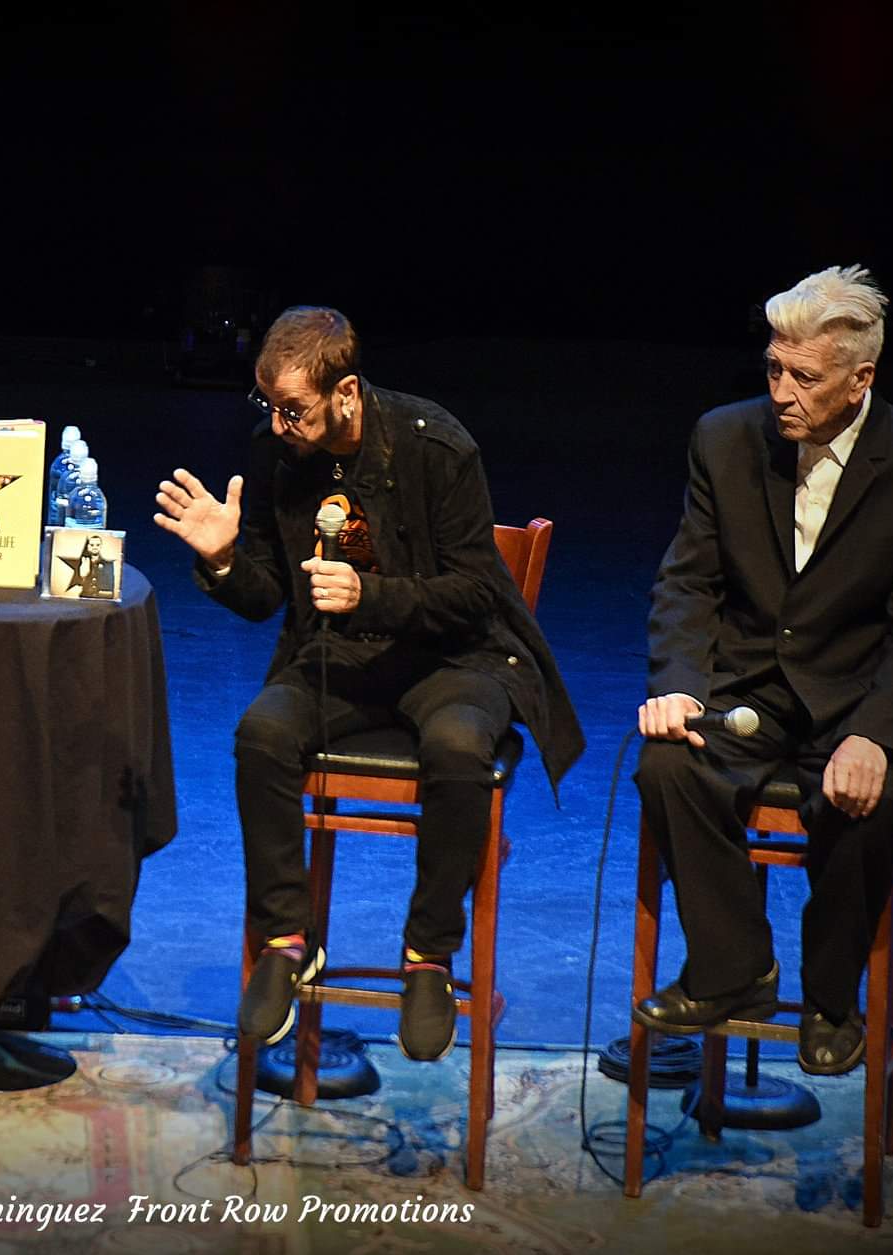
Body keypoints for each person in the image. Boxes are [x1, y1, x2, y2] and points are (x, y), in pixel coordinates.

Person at [154, 306, 583, 1060]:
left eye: (294, 408)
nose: (279, 424)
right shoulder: (277, 452)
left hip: (454, 659)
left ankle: (428, 954)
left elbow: (476, 593)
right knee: (262, 734)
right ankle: (286, 940)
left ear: (346, 392)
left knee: (458, 748)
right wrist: (221, 560)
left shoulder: (437, 446)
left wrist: (369, 596)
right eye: (268, 405)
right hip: (340, 658)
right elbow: (266, 596)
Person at [633, 266, 893, 1076]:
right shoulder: (723, 439)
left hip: (863, 697)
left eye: (805, 377)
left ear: (861, 380)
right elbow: (688, 582)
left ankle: (831, 997)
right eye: (774, 368)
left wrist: (875, 736)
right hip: (751, 689)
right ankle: (734, 964)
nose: (782, 391)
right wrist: (678, 684)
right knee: (668, 764)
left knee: (864, 804)